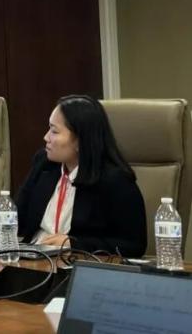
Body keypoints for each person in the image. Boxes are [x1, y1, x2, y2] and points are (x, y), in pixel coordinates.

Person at [16, 95, 147, 256]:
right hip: (32, 259)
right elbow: (15, 218)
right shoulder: (44, 164)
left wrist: (74, 244)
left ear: (80, 141)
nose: (46, 137)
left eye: (54, 131)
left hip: (76, 263)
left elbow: (134, 245)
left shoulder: (115, 181)